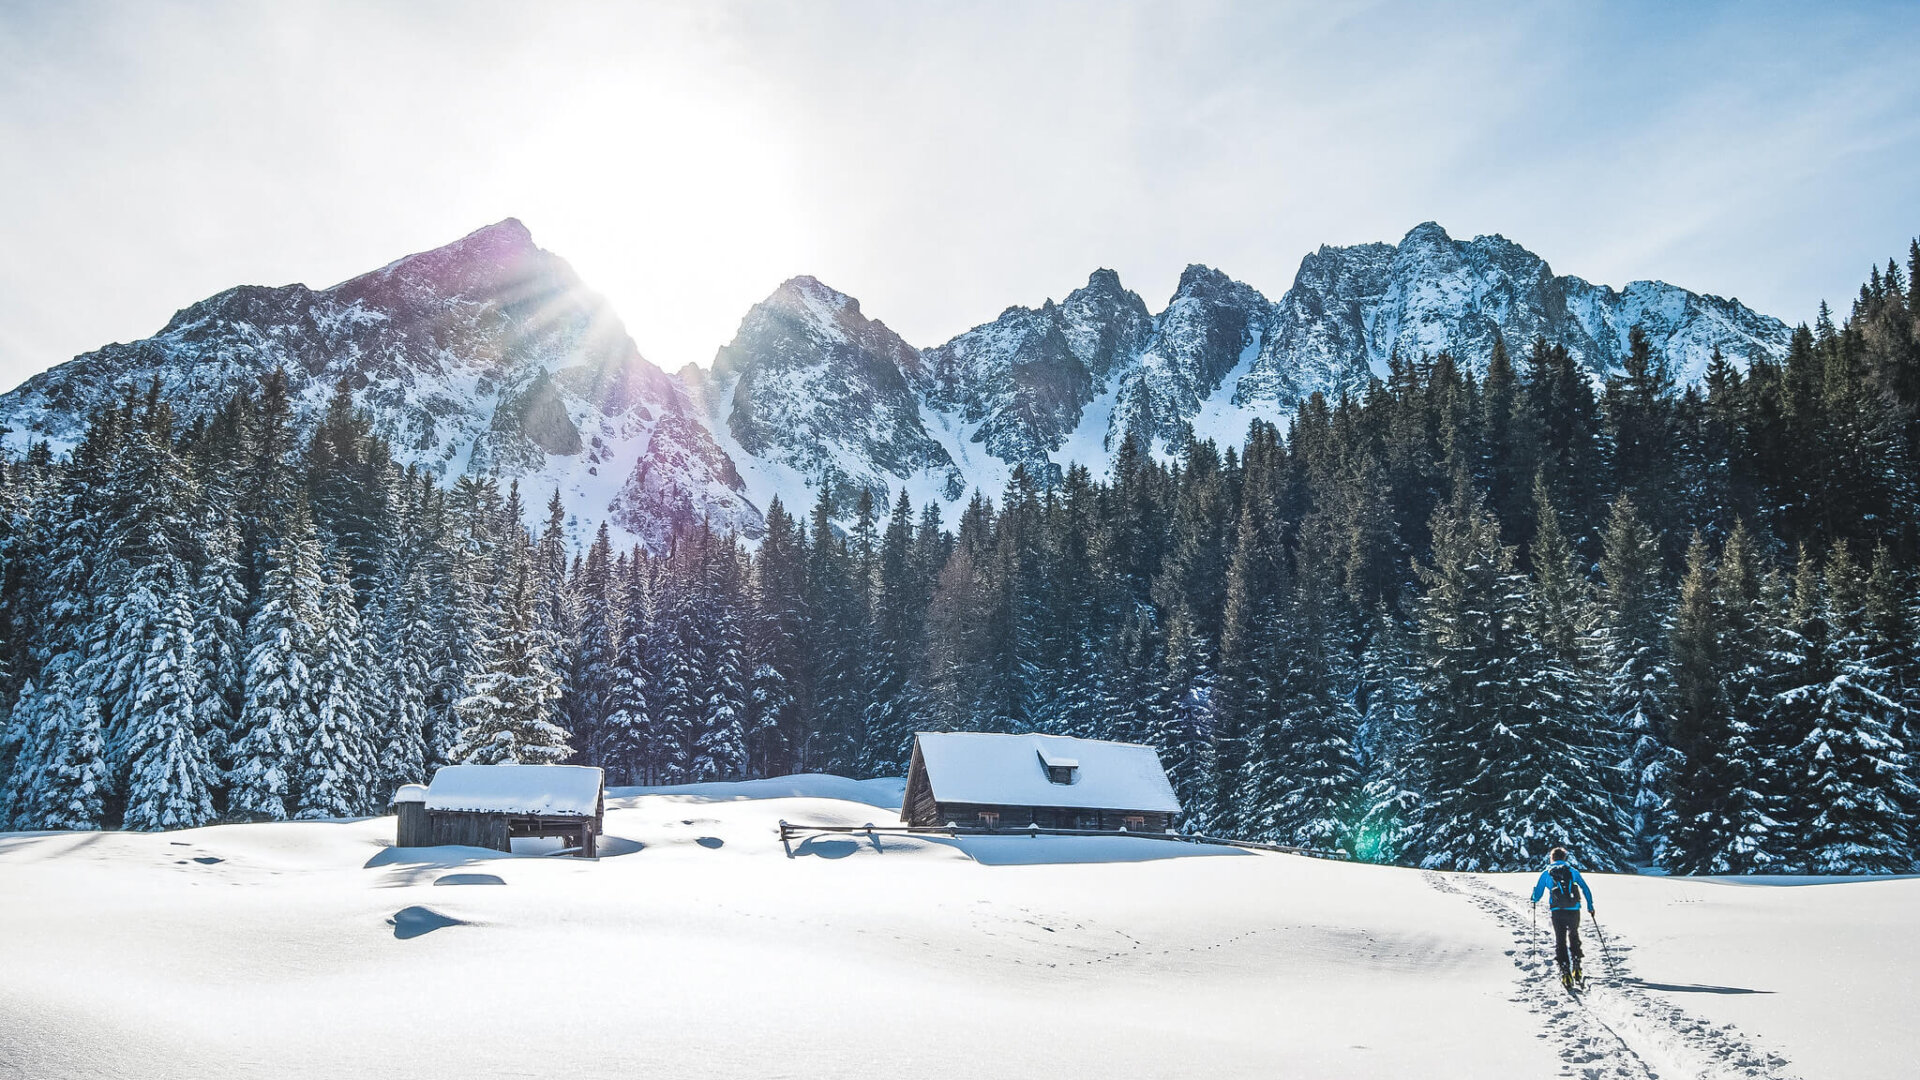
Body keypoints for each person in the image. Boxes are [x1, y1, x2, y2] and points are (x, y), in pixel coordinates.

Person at [1530, 846, 1595, 982]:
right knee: (1574, 935)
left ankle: (1565, 970)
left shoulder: (1547, 872)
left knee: (1560, 939)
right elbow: (1585, 888)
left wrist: (1533, 898)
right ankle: (1576, 964)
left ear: (1551, 858)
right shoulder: (1572, 871)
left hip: (1557, 911)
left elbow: (1538, 895)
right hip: (1574, 909)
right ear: (1565, 858)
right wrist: (1590, 906)